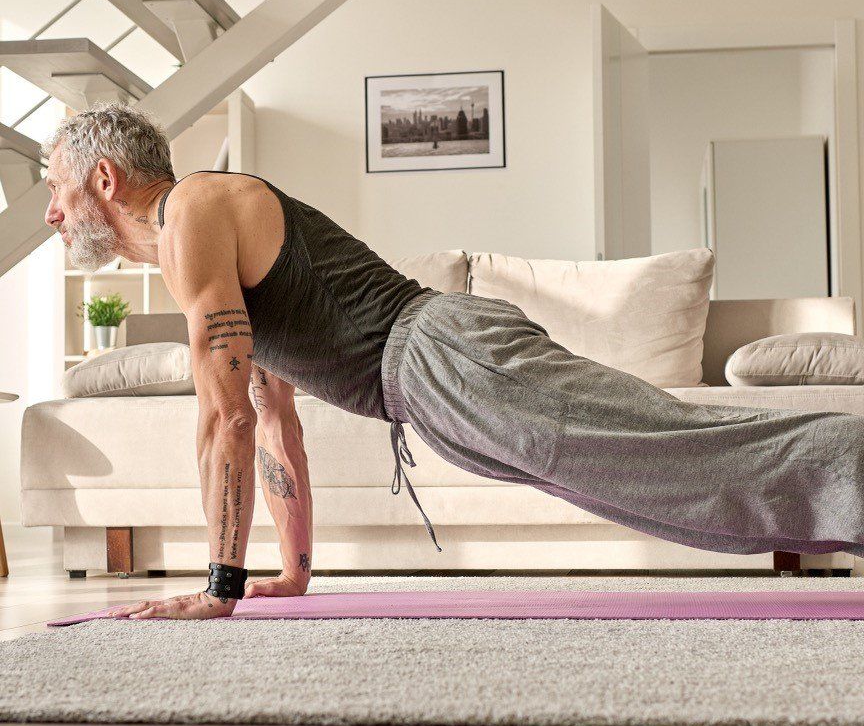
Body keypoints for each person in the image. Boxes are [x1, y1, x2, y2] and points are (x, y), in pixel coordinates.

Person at [41, 104, 864, 620]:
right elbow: (272, 423)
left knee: (667, 452)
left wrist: (217, 588)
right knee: (657, 488)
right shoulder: (203, 243)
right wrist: (291, 575)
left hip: (447, 359)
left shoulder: (194, 211)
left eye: (56, 189)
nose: (50, 213)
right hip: (433, 391)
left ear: (104, 177)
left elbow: (222, 417)